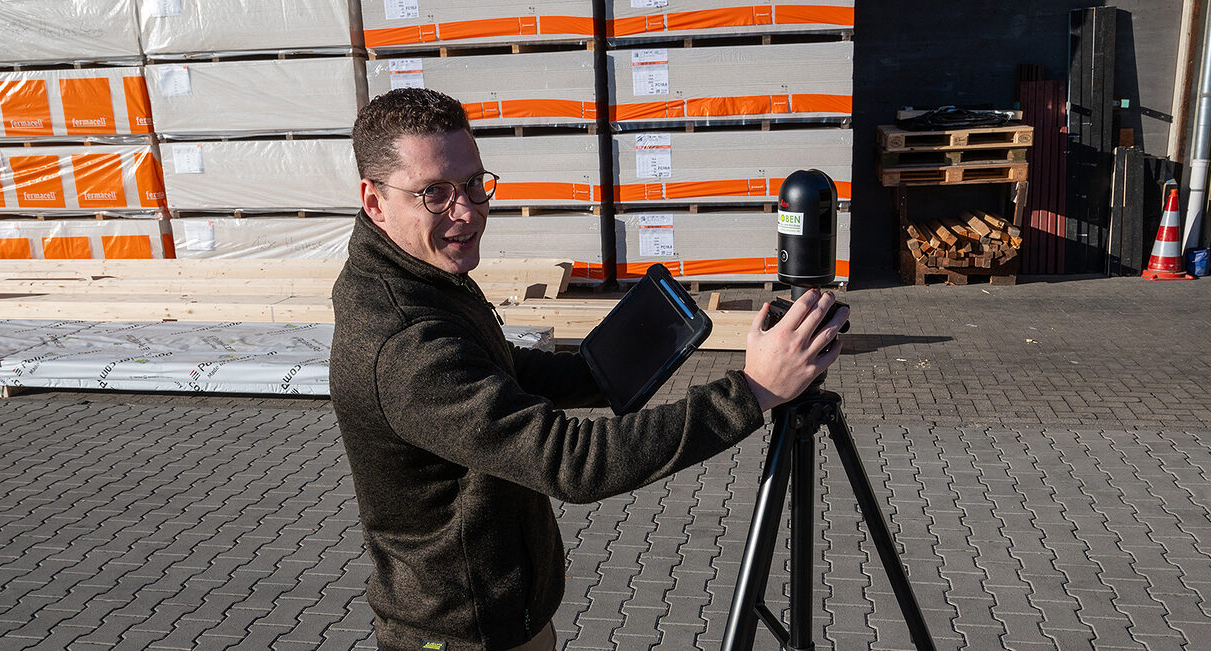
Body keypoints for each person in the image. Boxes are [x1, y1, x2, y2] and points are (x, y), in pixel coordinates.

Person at [329, 88, 848, 651]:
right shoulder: (404, 340)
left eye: (475, 184)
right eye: (434, 193)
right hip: (463, 632)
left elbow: (495, 369)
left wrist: (602, 370)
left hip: (500, 613)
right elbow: (573, 463)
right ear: (374, 201)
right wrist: (751, 392)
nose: (467, 211)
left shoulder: (418, 274)